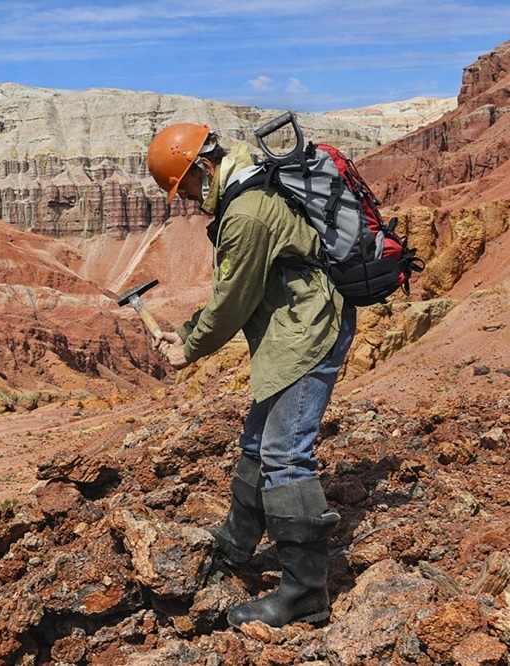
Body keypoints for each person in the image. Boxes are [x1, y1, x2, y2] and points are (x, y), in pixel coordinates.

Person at [145, 123, 357, 629]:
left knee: (286, 454)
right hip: (292, 328)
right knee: (258, 441)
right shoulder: (246, 187)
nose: (192, 201)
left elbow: (231, 301)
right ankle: (237, 545)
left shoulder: (245, 213)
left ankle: (305, 593)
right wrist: (189, 333)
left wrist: (187, 344)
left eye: (189, 189)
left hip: (307, 331)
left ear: (202, 167)